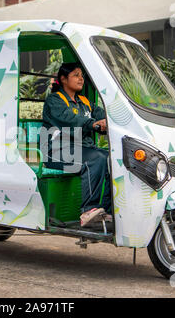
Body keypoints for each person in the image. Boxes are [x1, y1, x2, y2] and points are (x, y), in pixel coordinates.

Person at [41, 62, 112, 227]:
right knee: (94, 159)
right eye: (76, 75)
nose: (81, 79)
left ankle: (105, 210)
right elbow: (71, 119)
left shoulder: (84, 102)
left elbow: (103, 115)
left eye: (82, 75)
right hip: (56, 150)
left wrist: (109, 121)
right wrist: (93, 124)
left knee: (109, 158)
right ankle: (88, 210)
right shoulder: (55, 100)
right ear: (64, 79)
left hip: (82, 148)